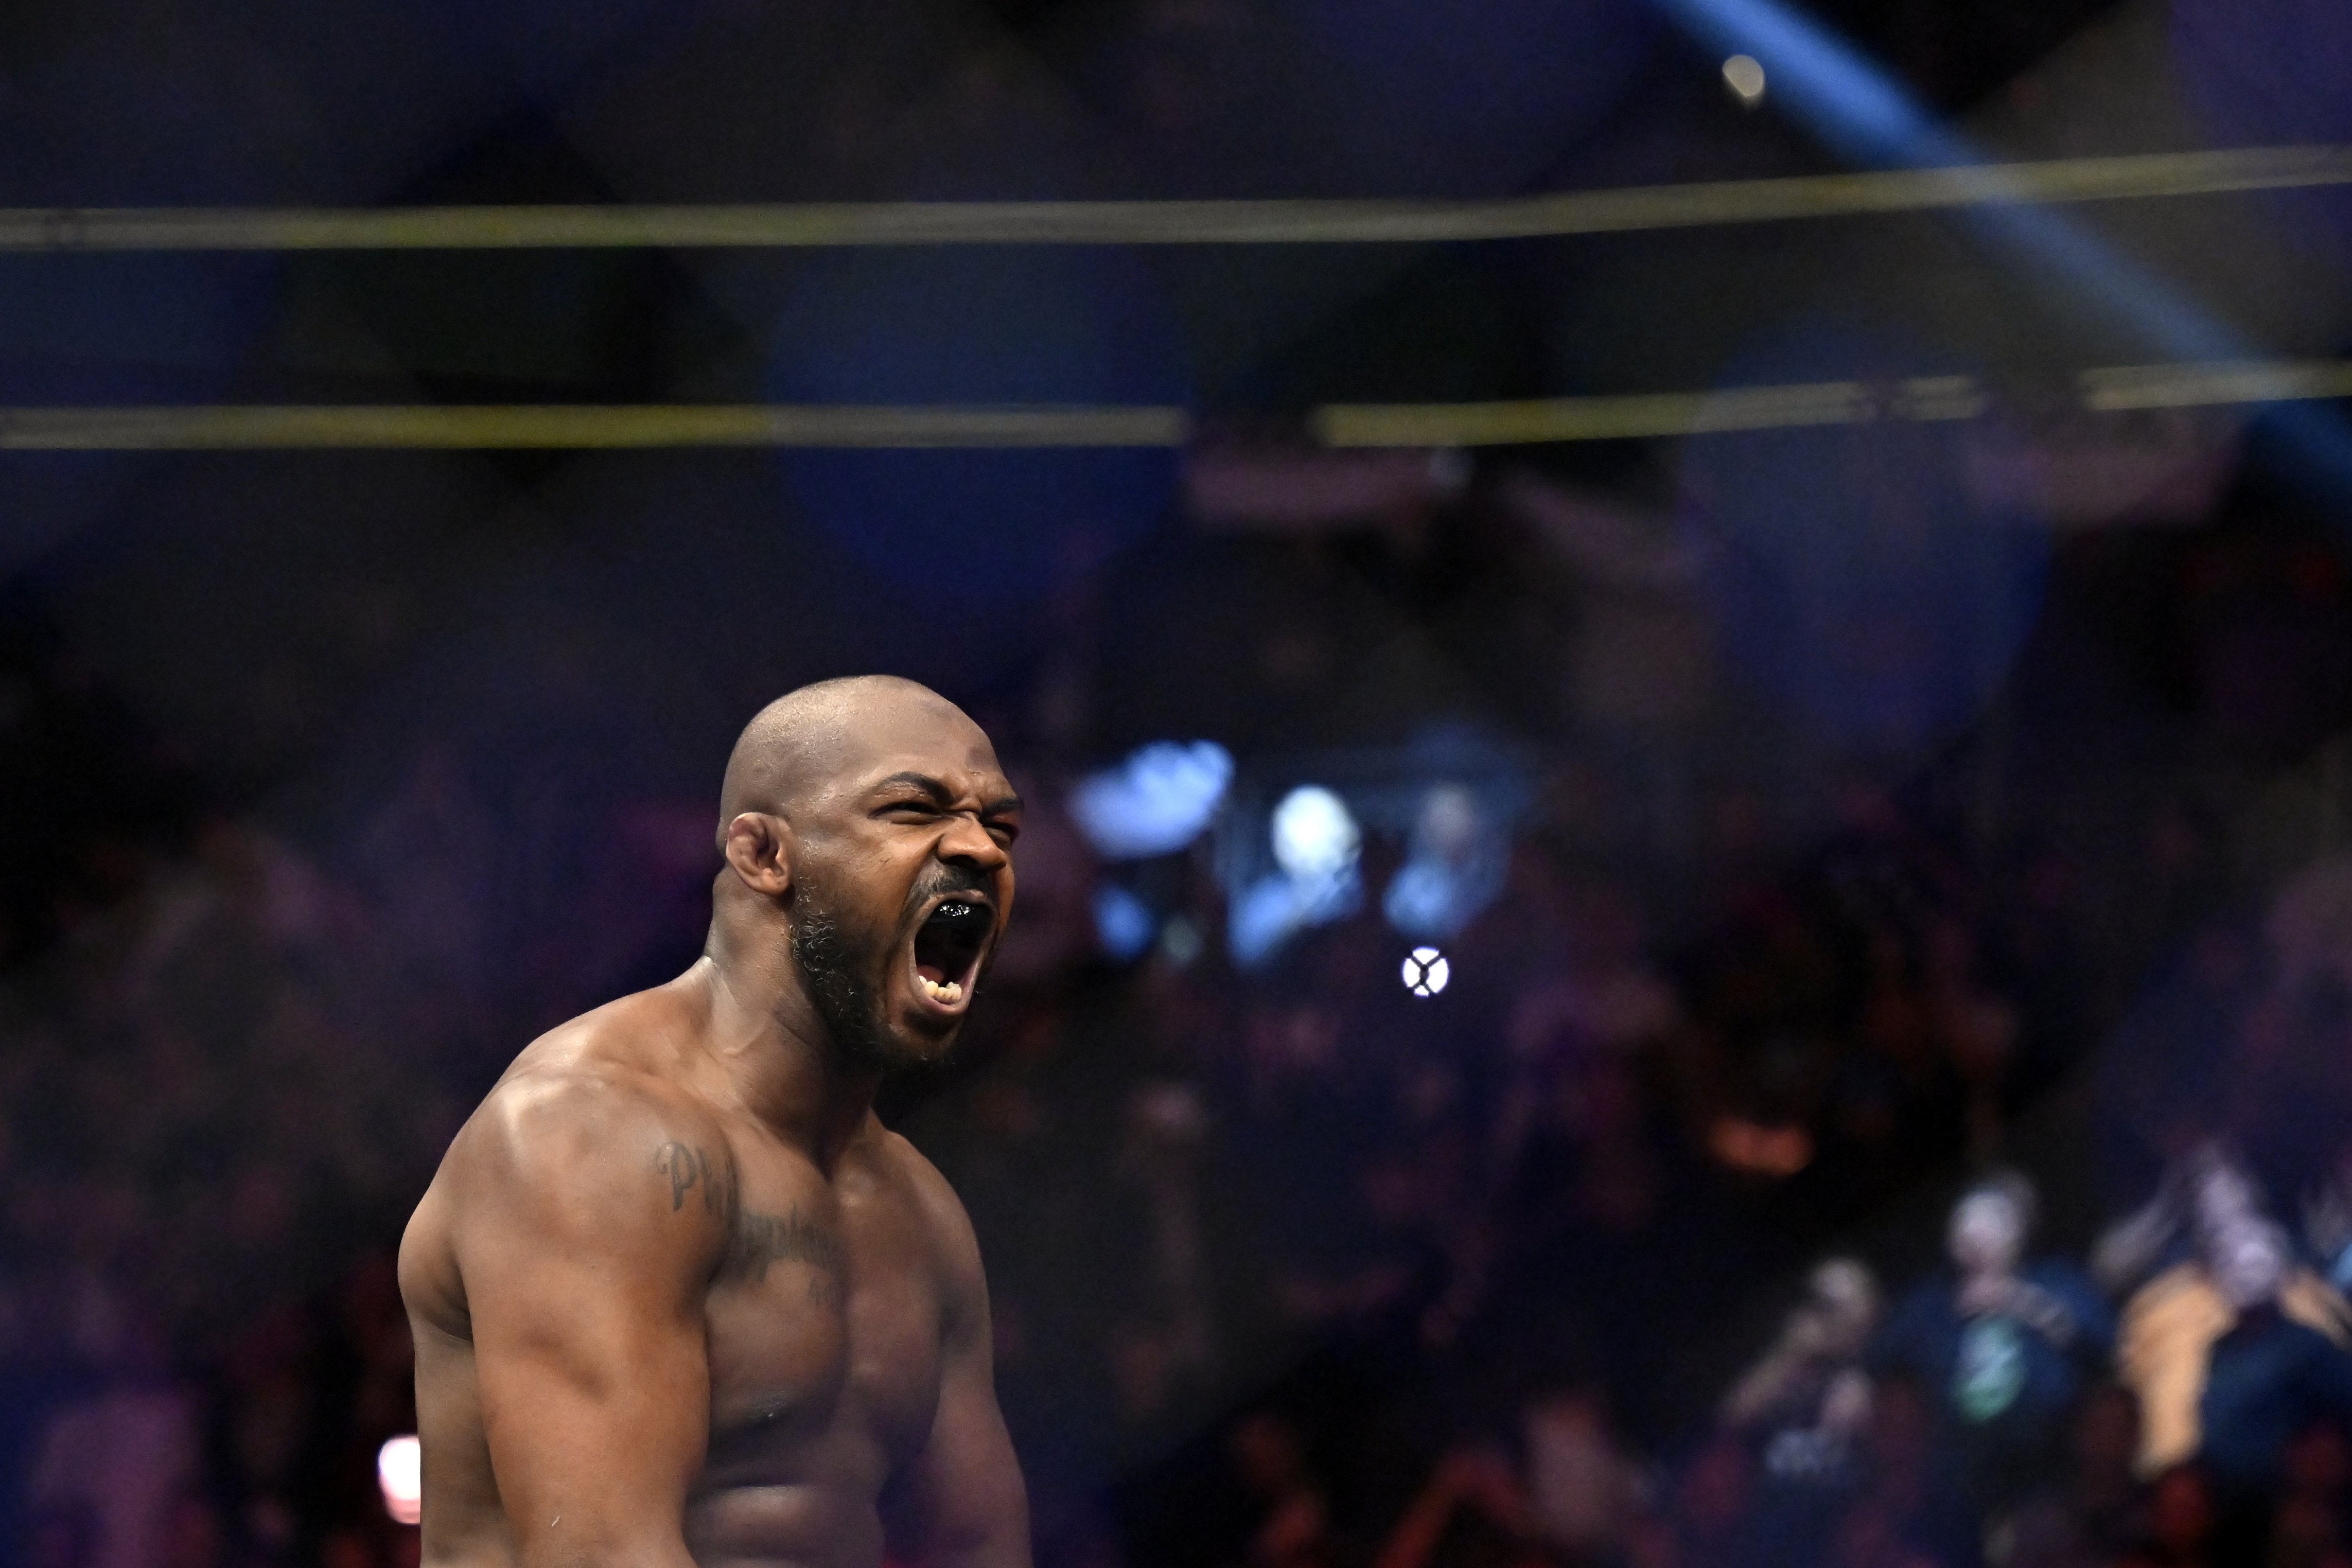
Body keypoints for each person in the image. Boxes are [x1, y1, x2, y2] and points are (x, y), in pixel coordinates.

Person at [398, 677, 1032, 1568]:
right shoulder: (587, 1131)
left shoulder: (922, 1214)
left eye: (999, 826)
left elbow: (978, 1549)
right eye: (911, 810)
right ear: (763, 853)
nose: (977, 848)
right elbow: (602, 1555)